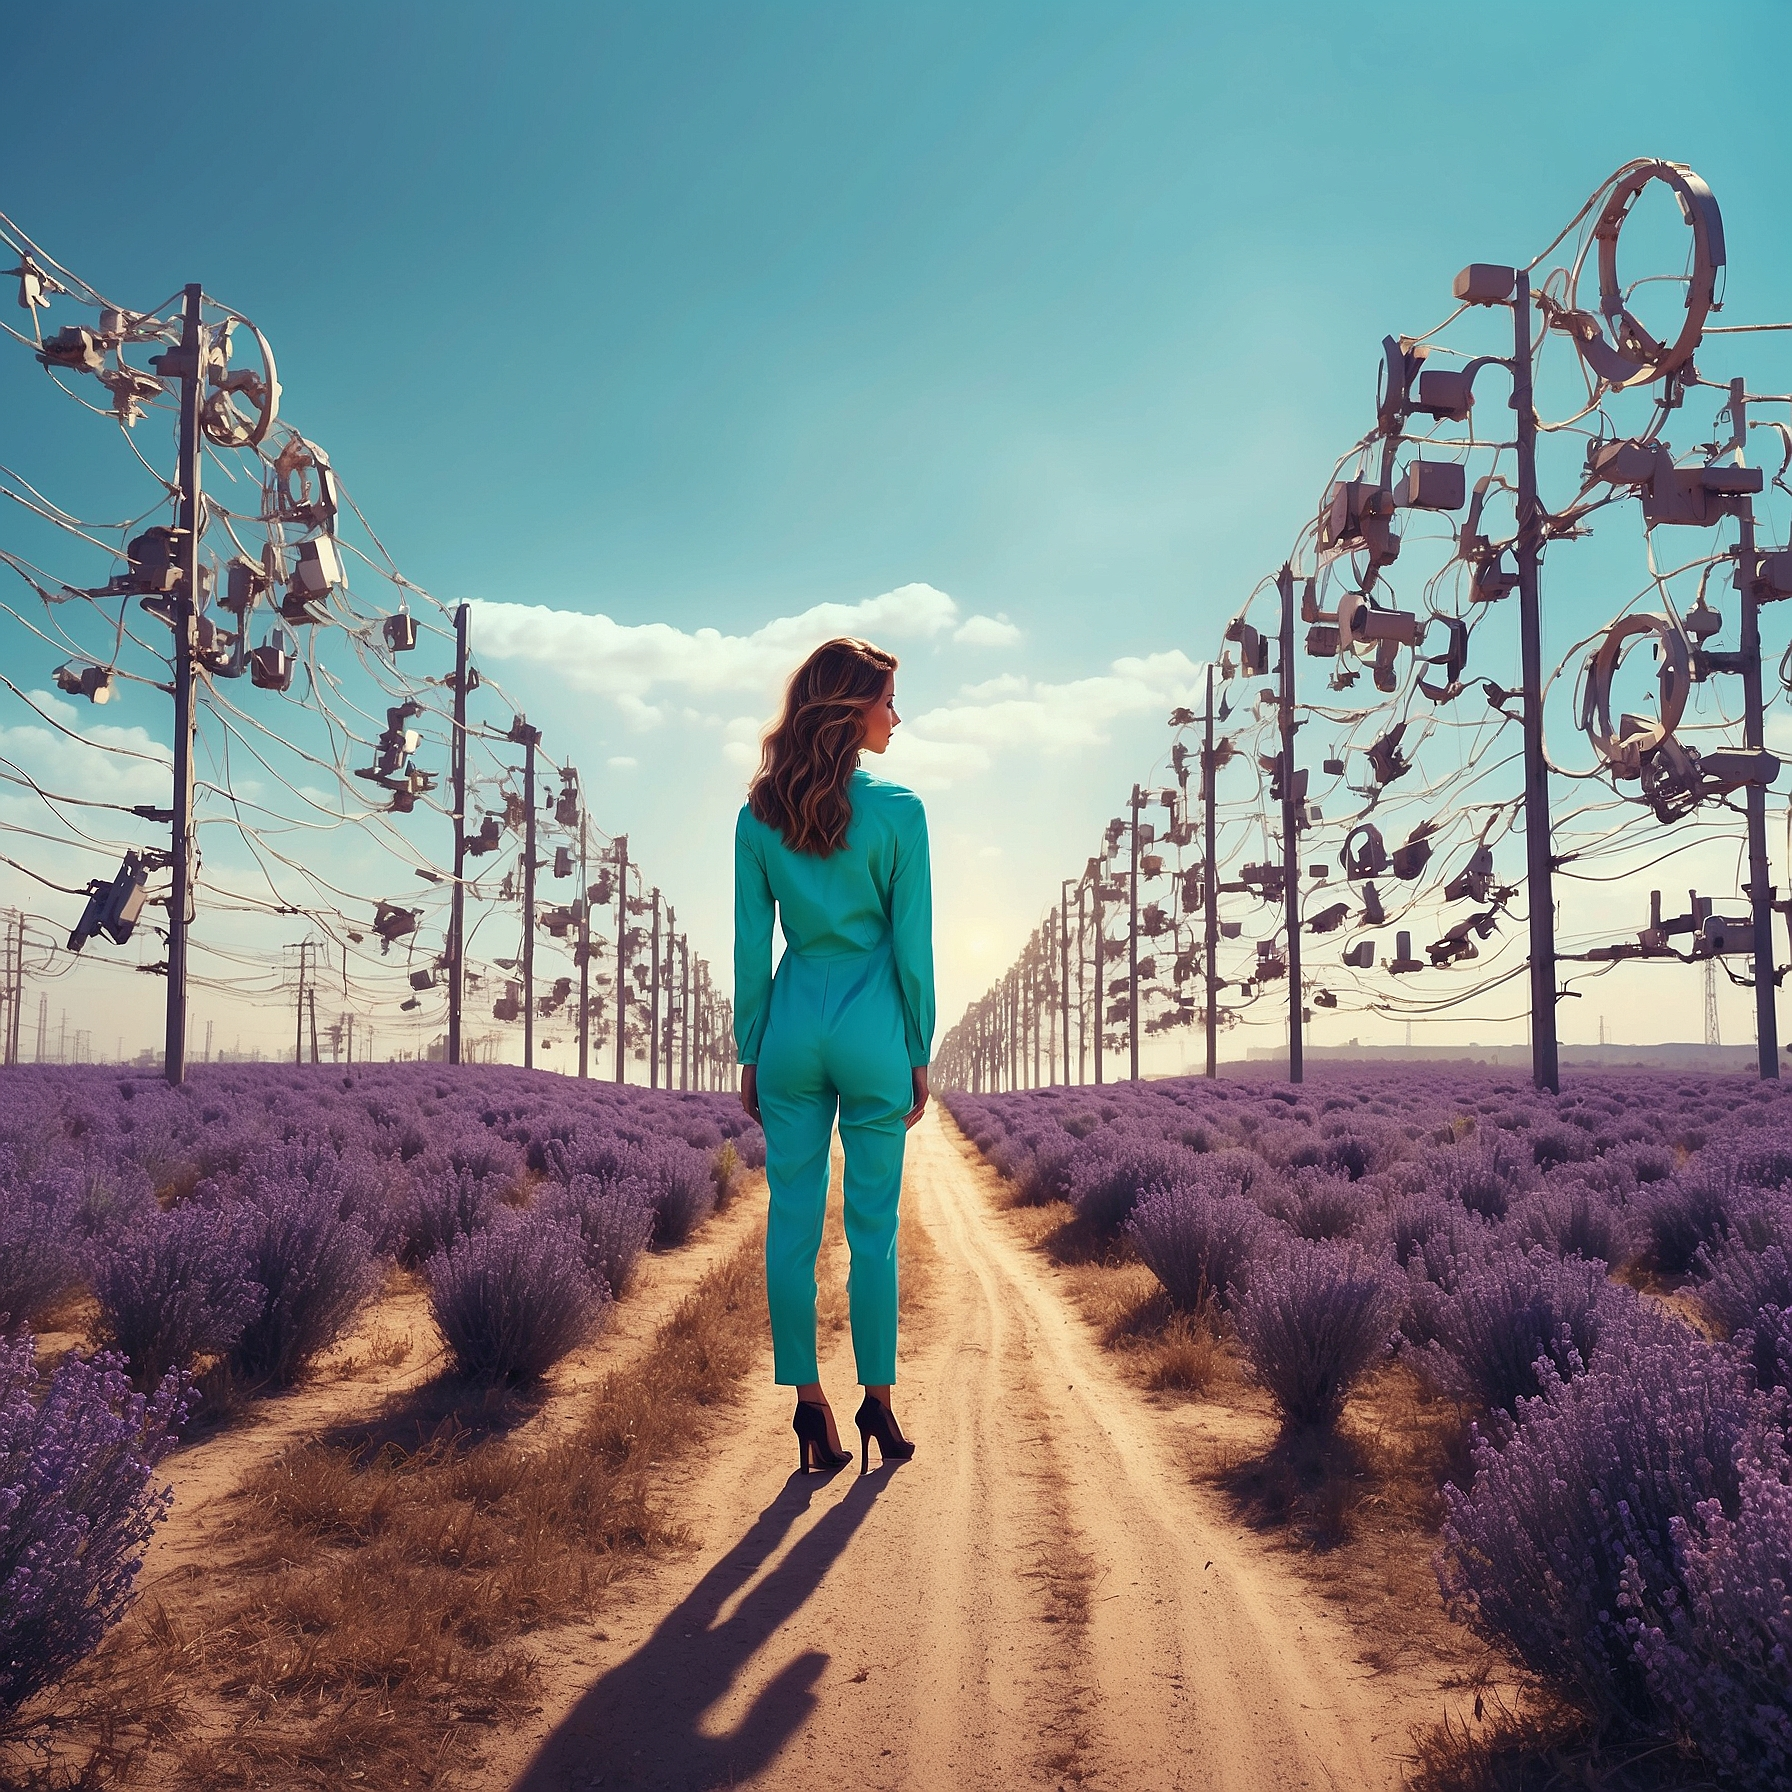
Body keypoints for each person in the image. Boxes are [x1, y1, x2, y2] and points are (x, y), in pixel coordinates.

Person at [734, 637, 934, 1475]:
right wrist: (918, 1045)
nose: (898, 715)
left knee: (790, 1224)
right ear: (853, 709)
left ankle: (808, 1408)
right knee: (873, 1230)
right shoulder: (901, 810)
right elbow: (913, 944)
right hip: (874, 1027)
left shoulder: (759, 816)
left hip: (789, 1025)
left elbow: (751, 946)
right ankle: (878, 1406)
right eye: (888, 700)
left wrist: (750, 1048)